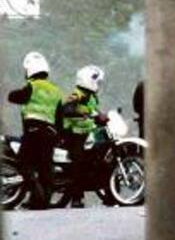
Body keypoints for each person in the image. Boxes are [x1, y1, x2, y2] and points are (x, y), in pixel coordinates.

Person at [7, 52, 63, 210]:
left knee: (24, 163)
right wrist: (59, 136)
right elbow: (60, 117)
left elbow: (14, 97)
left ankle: (36, 193)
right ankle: (43, 202)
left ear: (30, 70)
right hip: (50, 133)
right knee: (46, 166)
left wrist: (11, 92)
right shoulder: (56, 91)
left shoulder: (32, 86)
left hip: (33, 131)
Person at [62, 65, 107, 208]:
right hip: (73, 134)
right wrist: (82, 113)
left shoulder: (91, 97)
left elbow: (94, 112)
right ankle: (76, 198)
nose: (98, 85)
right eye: (97, 81)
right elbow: (67, 108)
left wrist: (103, 117)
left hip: (86, 134)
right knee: (78, 163)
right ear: (89, 80)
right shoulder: (78, 94)